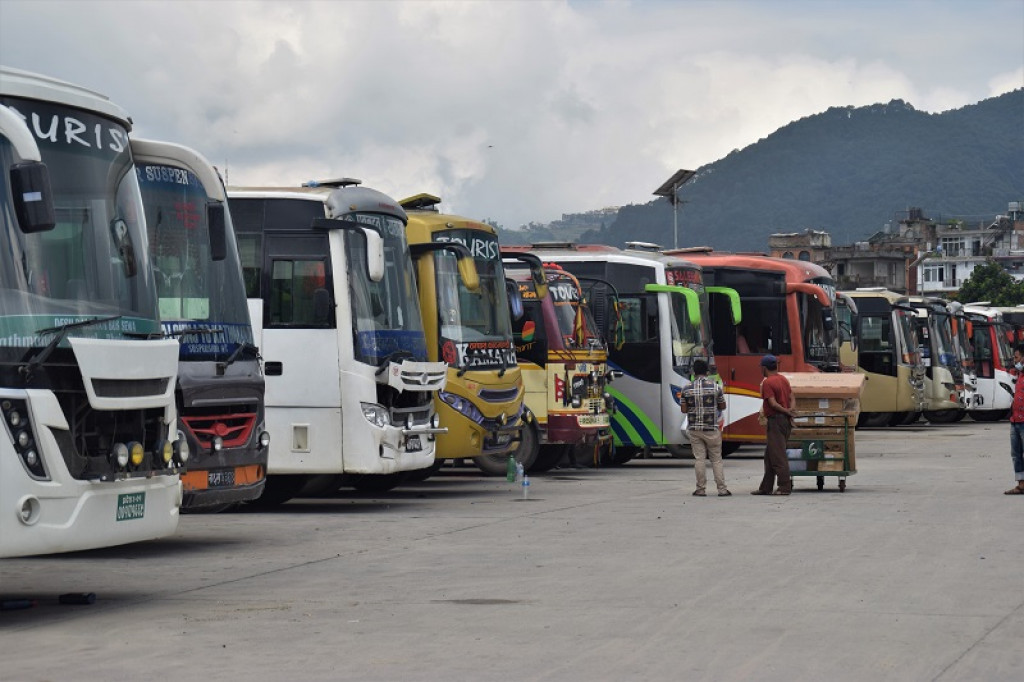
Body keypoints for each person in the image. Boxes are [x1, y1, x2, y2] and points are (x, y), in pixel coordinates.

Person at [681, 358, 730, 497]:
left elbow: (684, 410)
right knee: (716, 459)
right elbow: (723, 406)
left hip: (694, 429)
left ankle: (700, 489)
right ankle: (722, 489)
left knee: (699, 459)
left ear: (693, 372)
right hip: (711, 429)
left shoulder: (686, 388)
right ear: (707, 372)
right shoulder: (715, 387)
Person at [751, 354, 796, 496]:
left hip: (776, 420)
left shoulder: (768, 382)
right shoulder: (783, 379)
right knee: (769, 455)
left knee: (778, 456)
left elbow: (772, 403)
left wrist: (786, 411)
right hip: (785, 420)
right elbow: (792, 397)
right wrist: (791, 410)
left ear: (764, 368)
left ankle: (784, 487)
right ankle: (766, 487)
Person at [1005, 346, 1024, 495]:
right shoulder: (1019, 375)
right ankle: (1021, 484)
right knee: (1016, 454)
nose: (1014, 361)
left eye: (1016, 358)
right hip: (1015, 421)